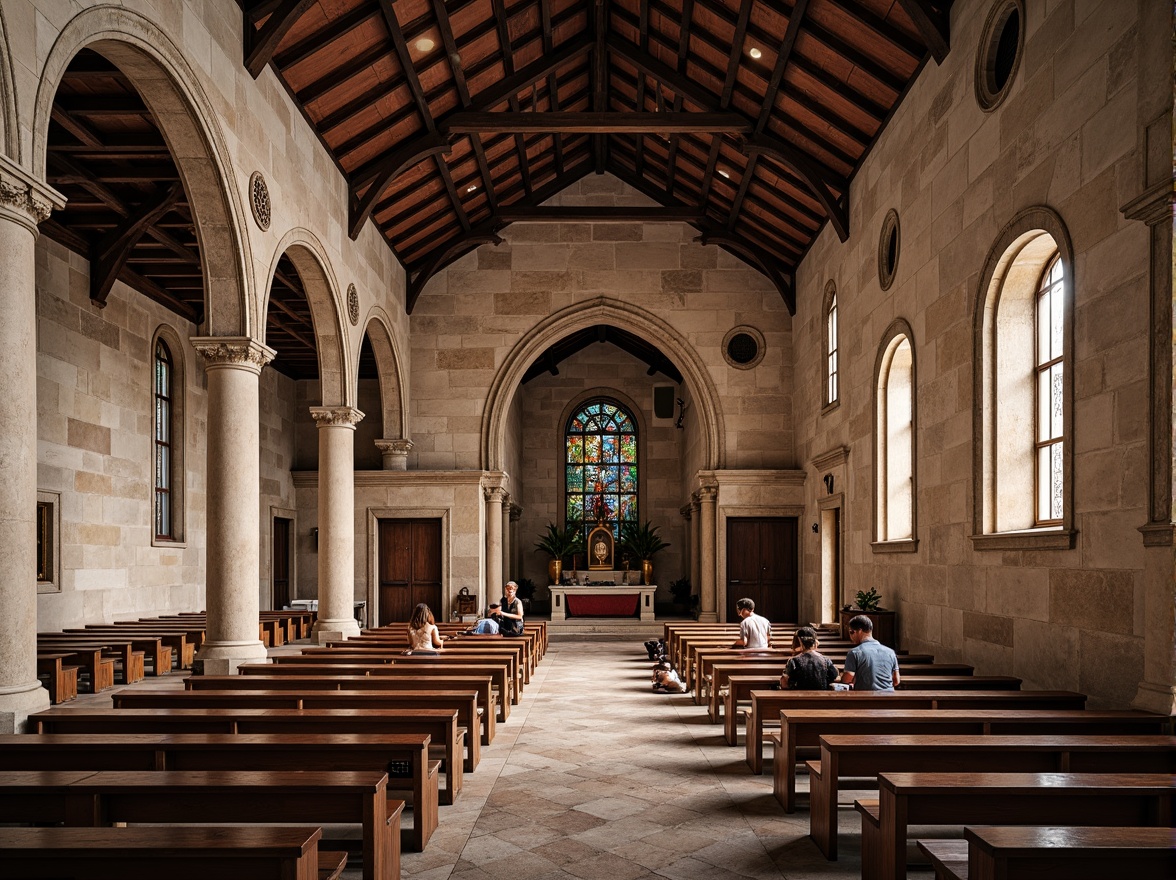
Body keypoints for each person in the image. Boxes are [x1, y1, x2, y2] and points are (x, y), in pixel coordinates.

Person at [841, 614, 900, 691]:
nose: (850, 636)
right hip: (888, 698)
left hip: (866, 698)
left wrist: (843, 676)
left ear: (859, 631)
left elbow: (847, 678)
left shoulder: (854, 652)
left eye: (851, 632)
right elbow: (896, 681)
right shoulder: (890, 652)